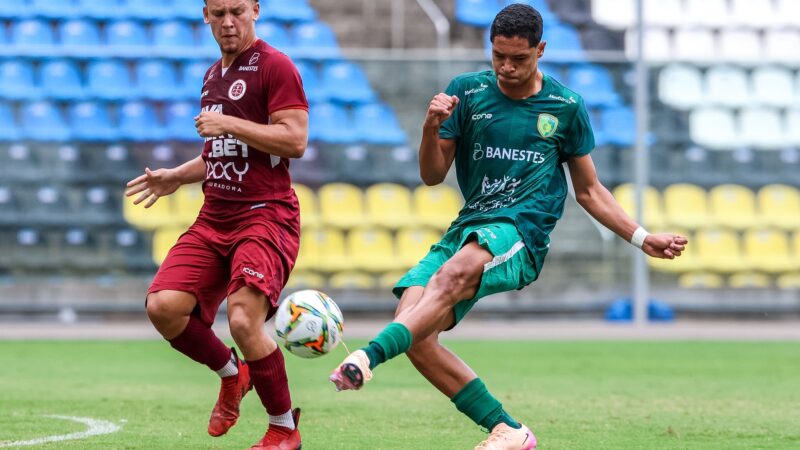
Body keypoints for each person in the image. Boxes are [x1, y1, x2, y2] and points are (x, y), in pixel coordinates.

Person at [329, 4, 688, 450]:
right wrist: (430, 127)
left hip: (520, 234)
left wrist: (641, 236)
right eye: (498, 56)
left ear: (541, 49)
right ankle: (509, 430)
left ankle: (366, 356)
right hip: (468, 227)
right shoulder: (467, 93)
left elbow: (590, 191)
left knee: (453, 276)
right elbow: (431, 175)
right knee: (417, 335)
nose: (506, 67)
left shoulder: (566, 106)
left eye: (518, 58)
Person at [125, 0, 308, 448]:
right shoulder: (212, 75)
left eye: (238, 11)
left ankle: (284, 428)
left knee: (244, 320)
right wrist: (177, 176)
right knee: (163, 307)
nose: (229, 22)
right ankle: (233, 373)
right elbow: (221, 152)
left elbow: (295, 140)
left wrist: (228, 122)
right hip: (214, 216)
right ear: (205, 14)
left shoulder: (276, 66)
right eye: (219, 12)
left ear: (256, 11)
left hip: (265, 214)